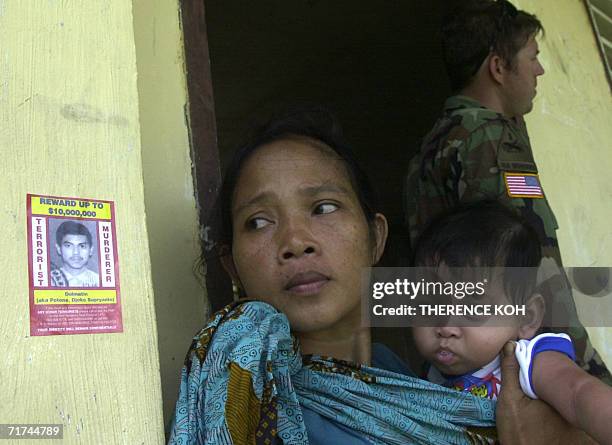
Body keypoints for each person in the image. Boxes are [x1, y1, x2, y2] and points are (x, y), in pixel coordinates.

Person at [169, 108, 589, 444]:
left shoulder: (420, 377)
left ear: (375, 237)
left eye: (324, 207)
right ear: (232, 266)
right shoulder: (246, 396)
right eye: (258, 222)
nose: (295, 241)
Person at [404, 0, 611, 383]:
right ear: (498, 67)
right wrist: (580, 364)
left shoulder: (434, 142)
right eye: (532, 56)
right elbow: (526, 266)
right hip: (519, 364)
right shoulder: (490, 137)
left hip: (465, 363)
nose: (540, 69)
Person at [412, 202, 612, 444]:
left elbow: (578, 394)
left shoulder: (529, 361)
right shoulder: (423, 377)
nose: (445, 327)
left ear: (527, 318)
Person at [51, 220, 100, 287]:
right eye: (69, 246)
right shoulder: (49, 280)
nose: (76, 252)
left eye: (82, 246)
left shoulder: (100, 281)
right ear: (59, 249)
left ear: (91, 250)